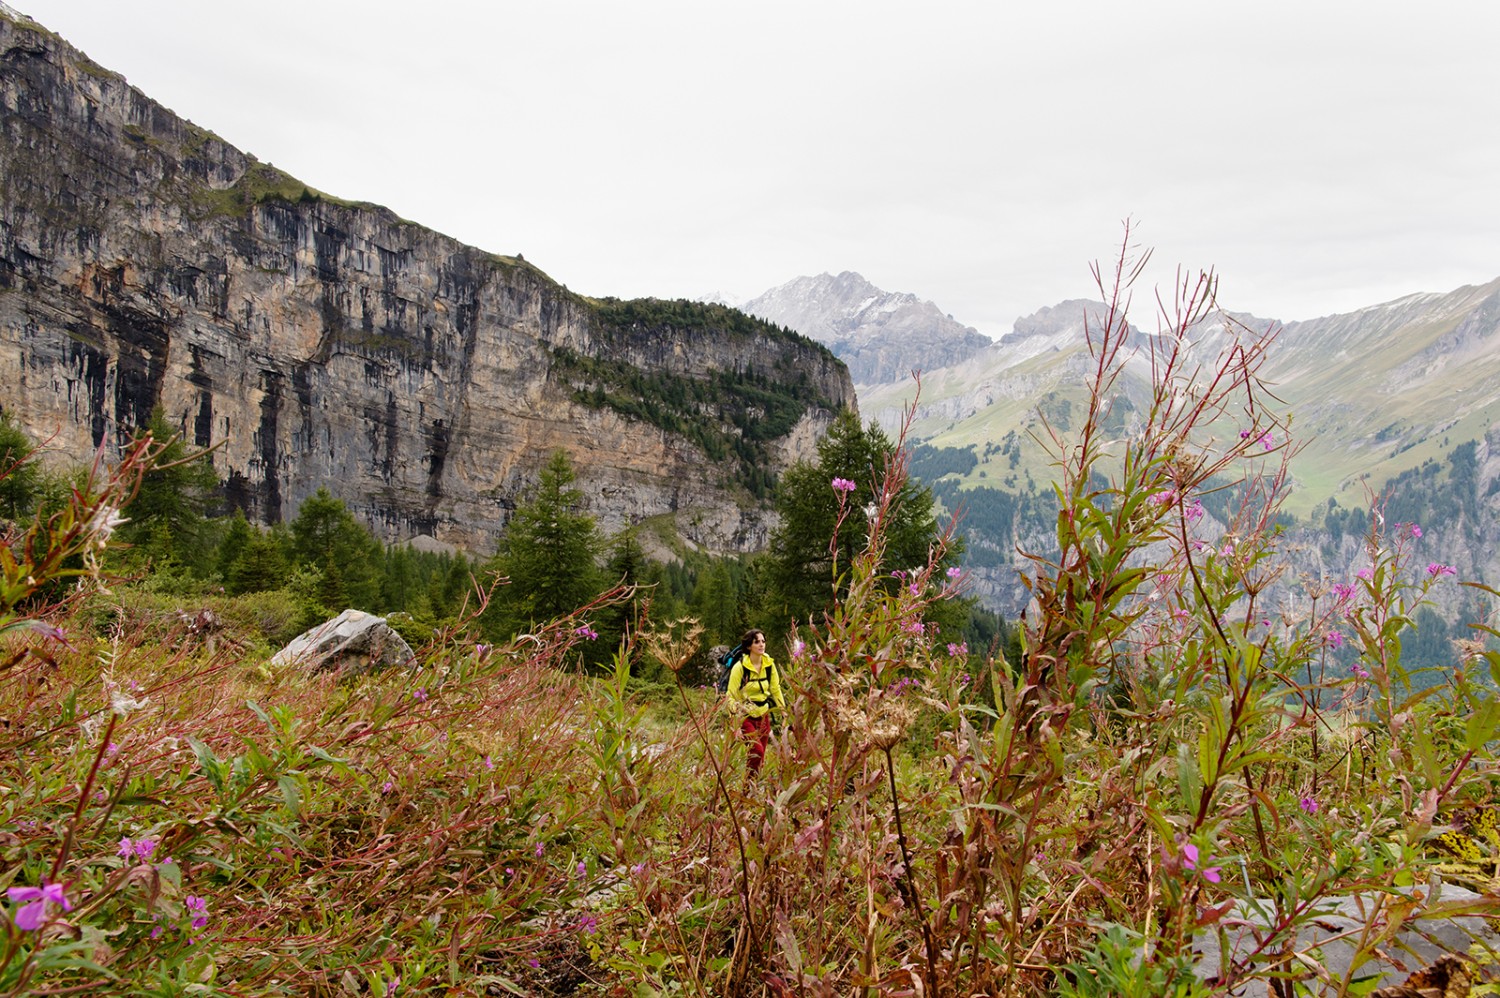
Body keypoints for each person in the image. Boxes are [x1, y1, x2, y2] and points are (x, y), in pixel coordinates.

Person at [726, 628, 785, 776]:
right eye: (756, 642)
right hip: (745, 716)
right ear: (748, 646)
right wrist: (735, 723)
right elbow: (731, 696)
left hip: (763, 715)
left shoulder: (769, 665)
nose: (761, 645)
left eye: (763, 641)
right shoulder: (739, 668)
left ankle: (750, 791)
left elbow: (775, 689)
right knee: (756, 751)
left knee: (760, 757)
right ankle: (748, 792)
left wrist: (783, 711)